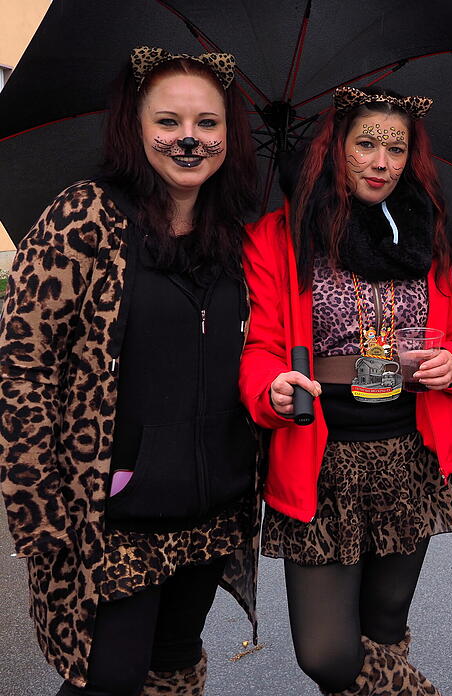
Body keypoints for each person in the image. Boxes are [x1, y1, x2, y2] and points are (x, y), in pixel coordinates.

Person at [0, 46, 261, 695]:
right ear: (135, 125)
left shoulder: (235, 235)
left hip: (212, 502)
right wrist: (38, 505)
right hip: (113, 508)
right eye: (168, 121)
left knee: (175, 665)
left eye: (208, 122)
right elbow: (20, 362)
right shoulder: (85, 215)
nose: (189, 138)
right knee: (110, 677)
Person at [239, 85, 452, 695]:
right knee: (326, 652)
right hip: (319, 459)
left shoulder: (428, 233)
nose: (383, 162)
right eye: (368, 145)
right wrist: (269, 388)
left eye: (397, 149)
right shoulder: (282, 235)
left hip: (409, 457)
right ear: (336, 148)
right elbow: (259, 347)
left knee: (382, 629)